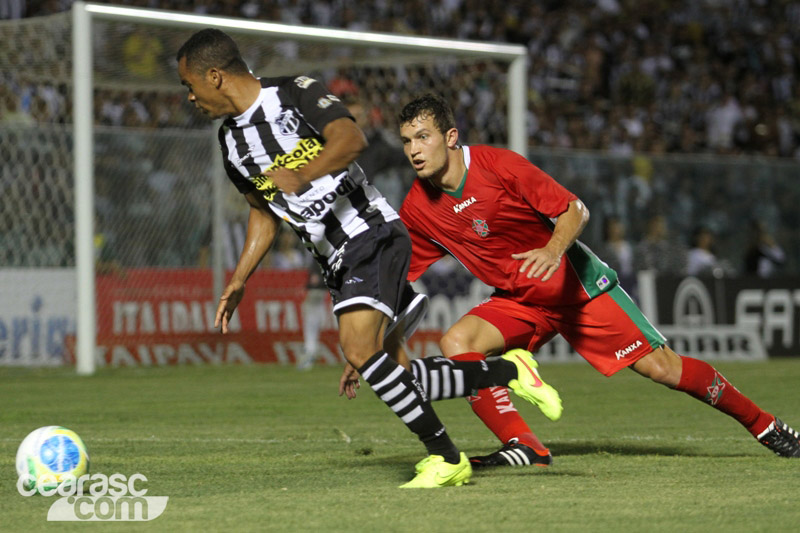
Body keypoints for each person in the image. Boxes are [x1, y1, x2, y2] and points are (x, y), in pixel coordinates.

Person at [176, 29, 562, 488]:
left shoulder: (294, 93)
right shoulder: (231, 145)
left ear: (215, 76)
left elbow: (350, 139)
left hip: (369, 231)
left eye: (190, 85)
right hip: (335, 261)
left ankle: (446, 457)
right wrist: (240, 278)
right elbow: (264, 212)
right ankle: (508, 370)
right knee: (392, 374)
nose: (189, 97)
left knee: (359, 349)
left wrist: (301, 172)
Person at [393, 93, 800, 464]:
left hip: (578, 288)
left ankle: (765, 425)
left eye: (422, 137)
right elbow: (399, 277)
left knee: (662, 368)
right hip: (521, 301)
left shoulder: (499, 165)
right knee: (458, 342)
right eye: (407, 141)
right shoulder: (417, 206)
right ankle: (525, 446)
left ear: (450, 136)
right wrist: (368, 347)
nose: (414, 150)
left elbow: (575, 209)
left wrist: (553, 251)